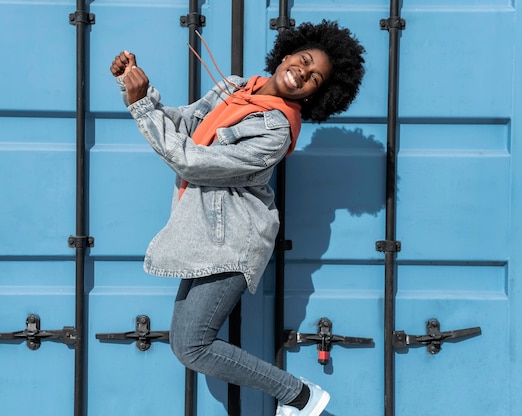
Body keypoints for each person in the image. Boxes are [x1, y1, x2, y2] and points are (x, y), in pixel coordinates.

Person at [110, 19, 365, 416]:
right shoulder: (234, 86)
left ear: (317, 95)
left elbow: (192, 161)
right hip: (201, 232)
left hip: (234, 240)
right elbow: (186, 126)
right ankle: (298, 396)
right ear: (287, 54)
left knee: (193, 344)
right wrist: (135, 88)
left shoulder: (277, 130)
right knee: (186, 343)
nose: (302, 73)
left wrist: (142, 106)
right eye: (303, 60)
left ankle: (301, 397)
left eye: (314, 78)